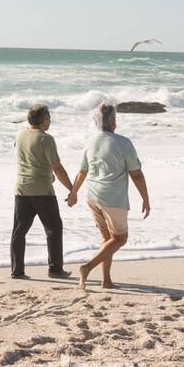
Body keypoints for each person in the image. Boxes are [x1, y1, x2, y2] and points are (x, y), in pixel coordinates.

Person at [66, 102, 151, 289]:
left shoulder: (90, 141)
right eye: (115, 118)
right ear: (112, 121)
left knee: (107, 239)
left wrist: (73, 193)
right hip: (113, 199)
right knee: (120, 238)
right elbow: (136, 174)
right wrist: (145, 198)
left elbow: (82, 171)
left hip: (92, 196)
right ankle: (87, 267)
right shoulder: (123, 142)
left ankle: (106, 280)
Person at [11, 103, 74, 280]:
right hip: (42, 191)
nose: (50, 119)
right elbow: (57, 167)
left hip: (21, 188)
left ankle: (17, 271)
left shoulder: (20, 133)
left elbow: (29, 157)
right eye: (49, 116)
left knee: (19, 231)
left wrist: (47, 173)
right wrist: (72, 189)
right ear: (44, 119)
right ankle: (55, 270)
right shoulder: (46, 139)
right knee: (53, 229)